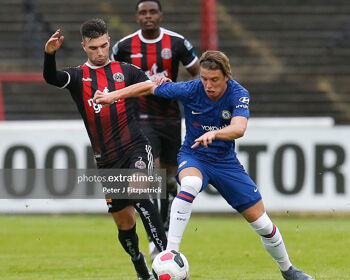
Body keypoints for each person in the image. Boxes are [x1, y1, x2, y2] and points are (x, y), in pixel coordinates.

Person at [94, 50, 315, 280]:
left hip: (225, 163)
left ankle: (288, 270)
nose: (208, 85)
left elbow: (239, 128)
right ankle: (171, 252)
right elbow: (148, 87)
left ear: (226, 77)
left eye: (214, 80)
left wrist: (216, 134)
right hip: (194, 155)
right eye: (204, 78)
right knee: (189, 183)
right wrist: (113, 96)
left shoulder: (239, 94)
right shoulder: (192, 89)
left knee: (263, 225)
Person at [43, 18, 168, 280]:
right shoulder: (78, 76)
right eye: (93, 48)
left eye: (103, 46)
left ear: (109, 41)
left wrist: (147, 84)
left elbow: (150, 85)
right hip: (106, 161)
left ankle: (167, 256)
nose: (100, 53)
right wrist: (49, 55)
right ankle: (138, 261)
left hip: (135, 147)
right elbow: (52, 78)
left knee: (140, 193)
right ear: (84, 47)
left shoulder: (126, 70)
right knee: (125, 224)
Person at [111, 0, 200, 259]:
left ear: (160, 15)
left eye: (152, 12)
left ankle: (164, 226)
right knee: (154, 177)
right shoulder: (124, 46)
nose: (148, 16)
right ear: (136, 17)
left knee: (170, 179)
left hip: (171, 119)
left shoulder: (177, 43)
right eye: (143, 12)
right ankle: (157, 237)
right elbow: (111, 75)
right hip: (140, 118)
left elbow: (198, 75)